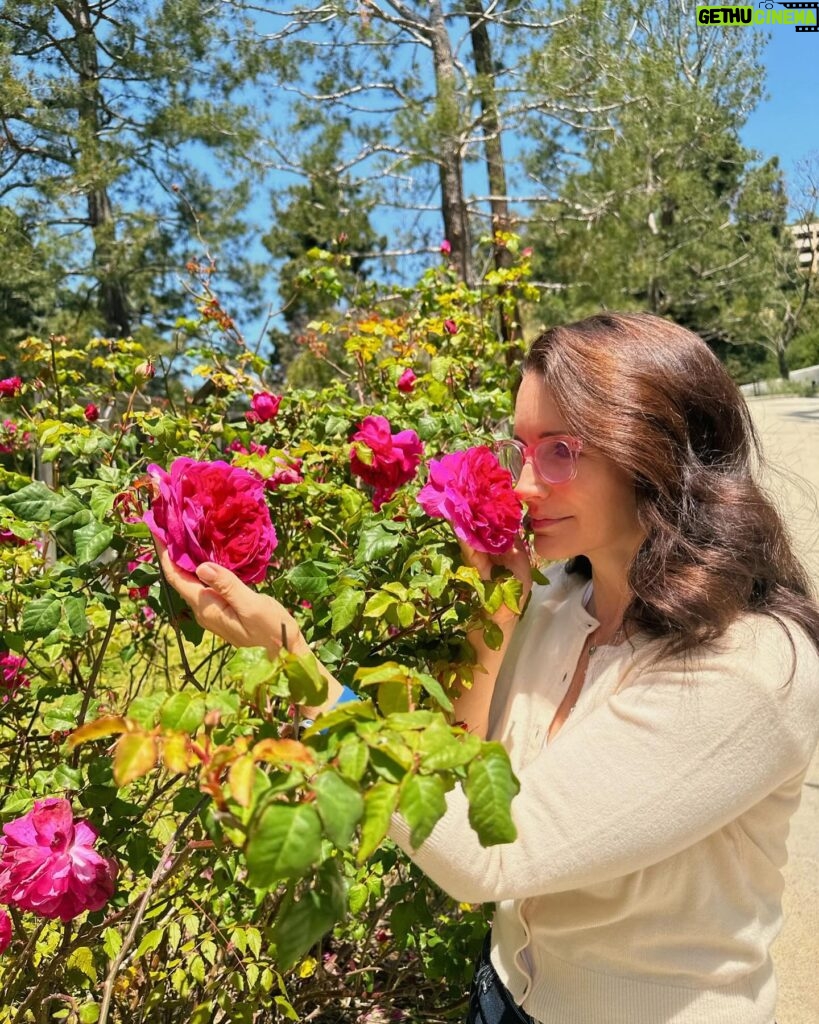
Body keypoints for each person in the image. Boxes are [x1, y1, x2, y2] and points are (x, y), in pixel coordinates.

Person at [157, 312, 819, 1024]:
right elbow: (455, 774)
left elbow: (488, 855)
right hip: (499, 996)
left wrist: (296, 663)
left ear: (653, 453)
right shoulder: (560, 602)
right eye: (522, 448)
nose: (525, 485)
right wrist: (493, 618)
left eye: (562, 450)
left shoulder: (747, 668)